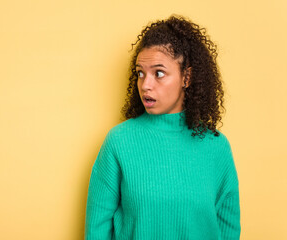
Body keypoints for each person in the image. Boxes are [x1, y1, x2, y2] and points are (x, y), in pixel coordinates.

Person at [85, 14, 241, 240]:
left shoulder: (217, 147)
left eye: (159, 73)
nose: (145, 85)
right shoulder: (119, 142)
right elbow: (96, 228)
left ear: (186, 77)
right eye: (140, 73)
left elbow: (228, 228)